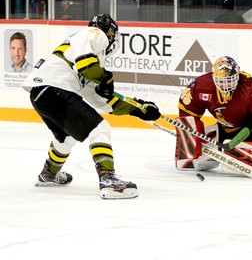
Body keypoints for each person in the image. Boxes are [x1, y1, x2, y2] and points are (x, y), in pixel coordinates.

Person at [22, 14, 161, 199]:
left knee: (66, 138)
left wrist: (137, 108)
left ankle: (49, 173)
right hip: (54, 87)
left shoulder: (83, 59)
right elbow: (87, 64)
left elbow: (102, 99)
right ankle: (108, 179)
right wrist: (105, 77)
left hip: (40, 94)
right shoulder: (94, 34)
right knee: (99, 128)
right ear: (110, 33)